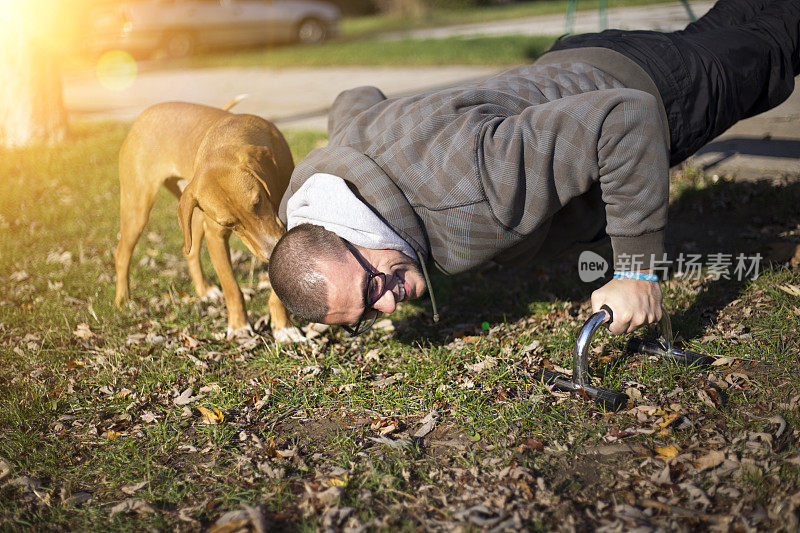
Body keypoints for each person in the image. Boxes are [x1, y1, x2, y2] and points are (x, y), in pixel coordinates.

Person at [268, 0, 799, 336]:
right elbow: (354, 97)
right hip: (578, 58)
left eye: (370, 290)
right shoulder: (341, 170)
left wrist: (636, 270)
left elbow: (625, 119)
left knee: (776, 46)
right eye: (364, 316)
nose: (387, 306)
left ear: (356, 231)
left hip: (655, 91)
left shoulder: (473, 186)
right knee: (749, 21)